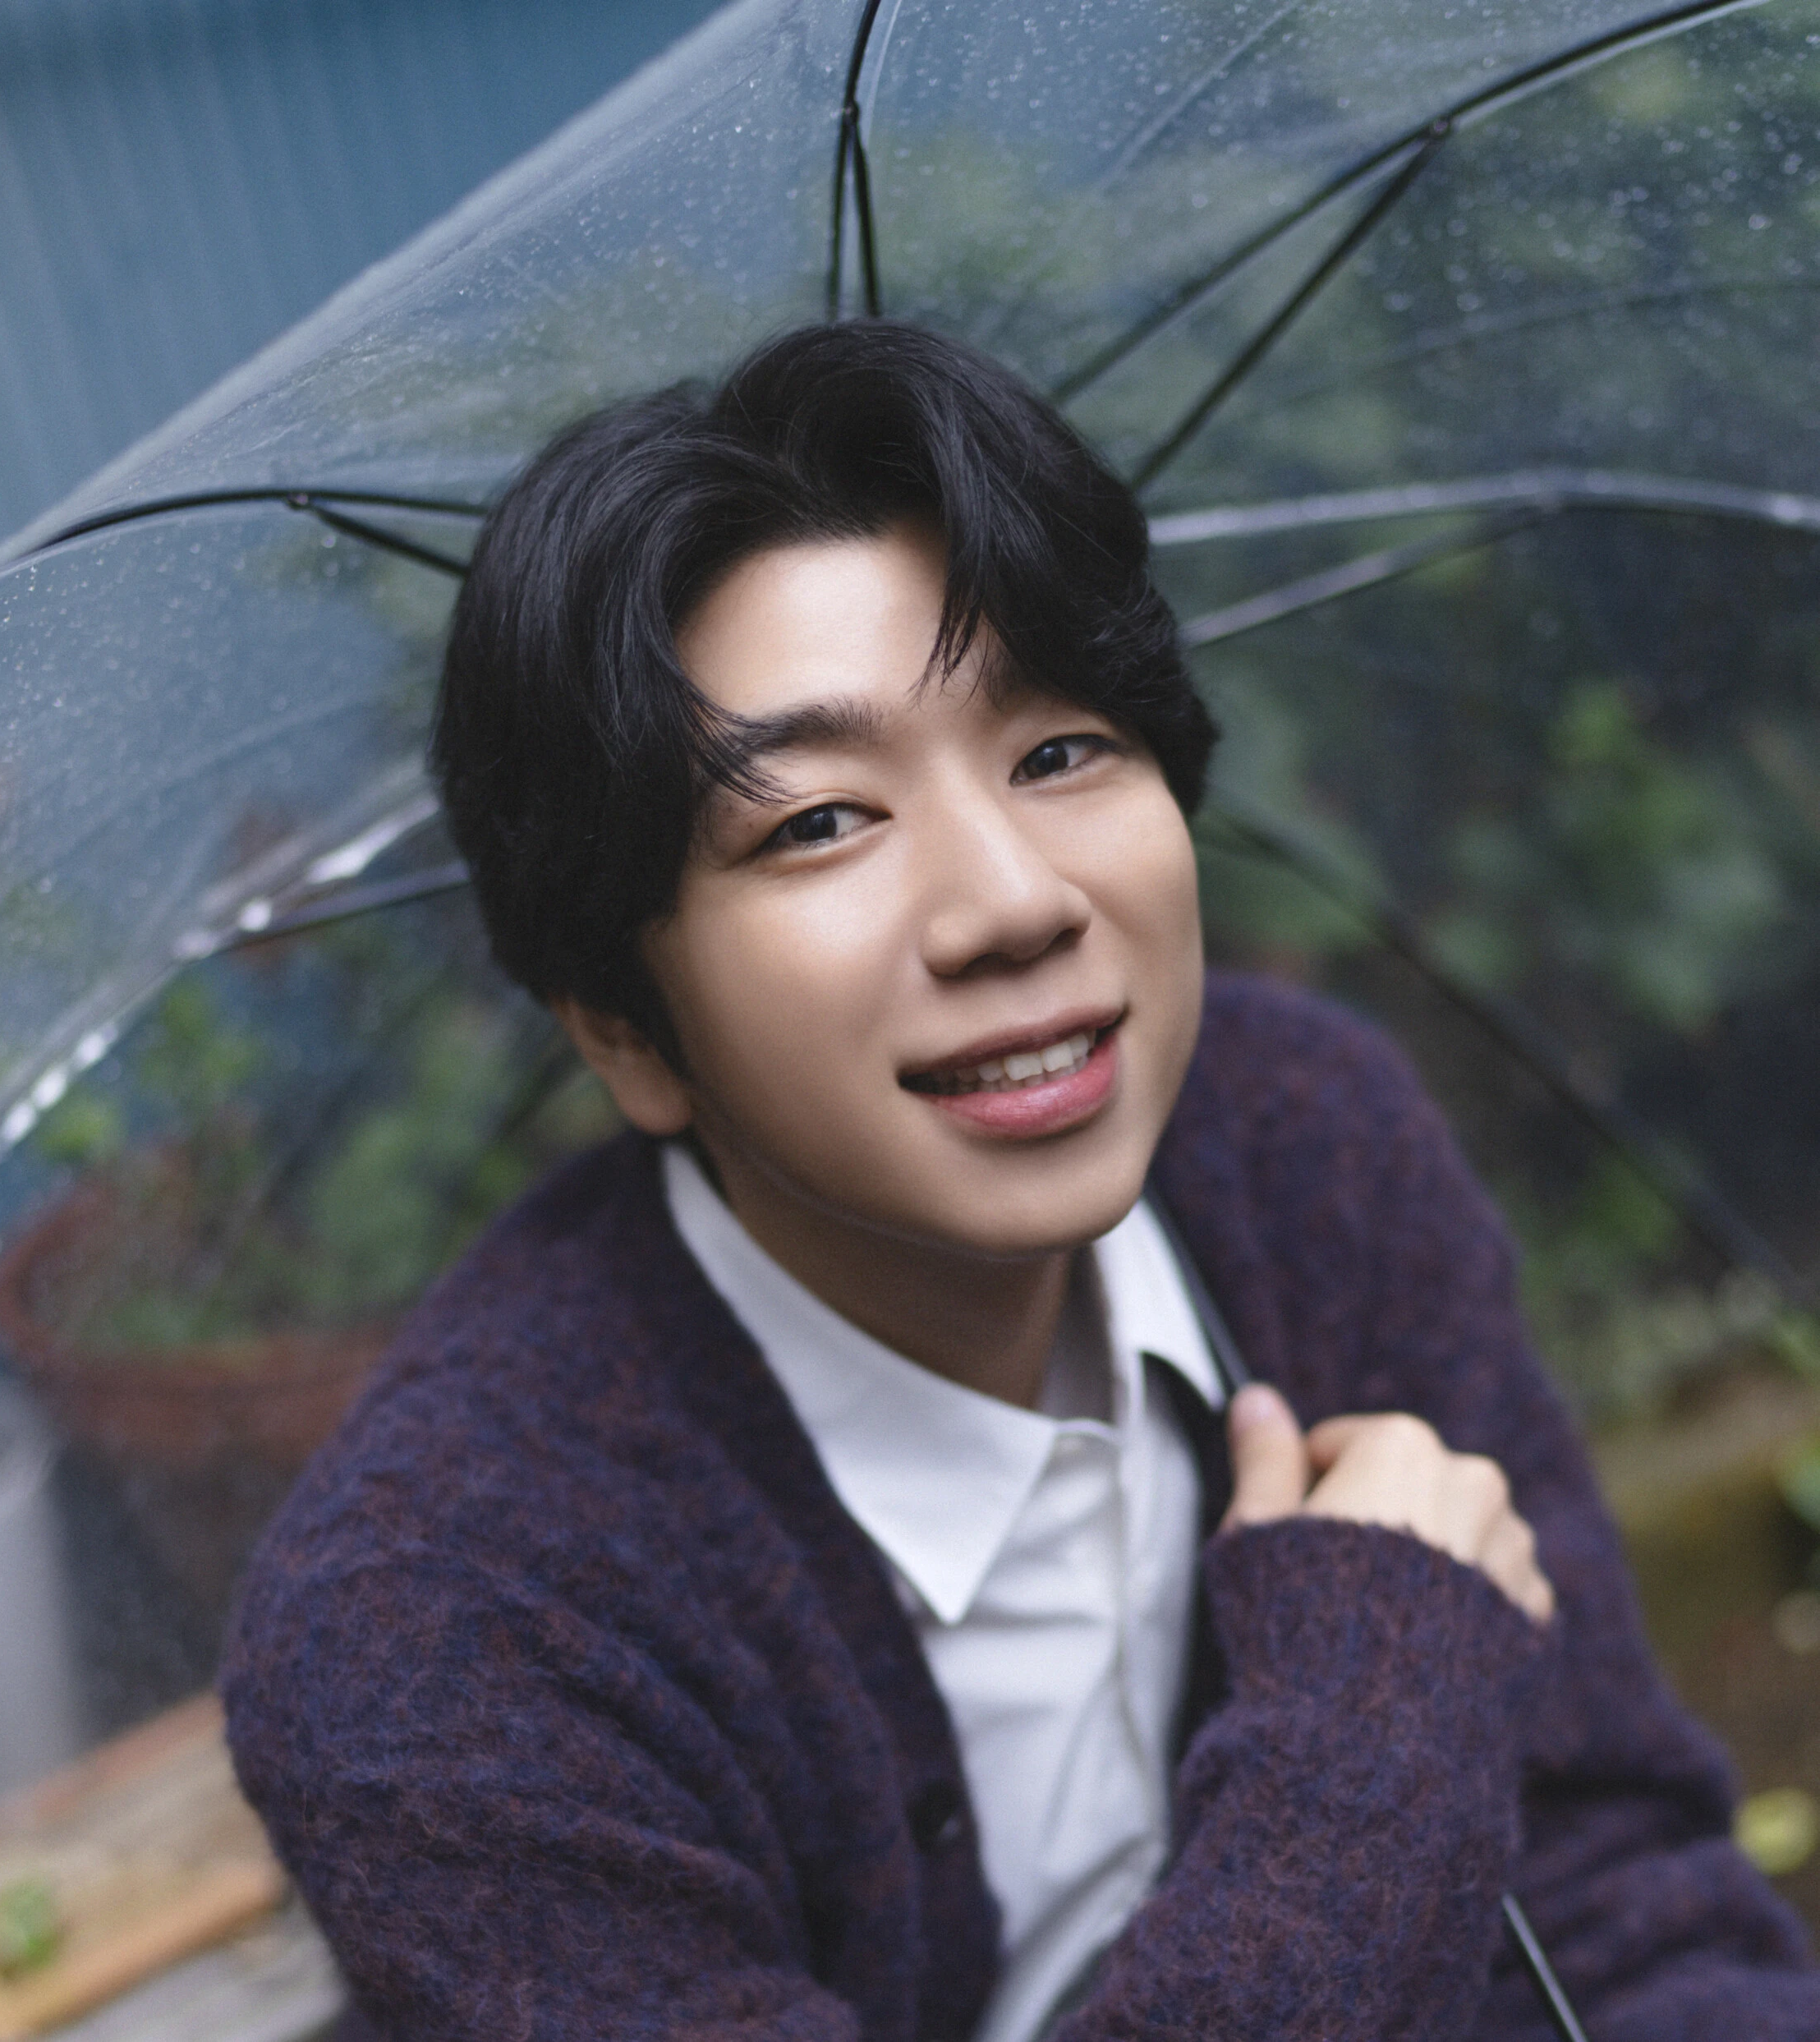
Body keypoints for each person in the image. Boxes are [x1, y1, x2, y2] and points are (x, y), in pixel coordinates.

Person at [223, 320, 1818, 2040]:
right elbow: (1397, 1773)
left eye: (1059, 749)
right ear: (623, 1031)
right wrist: (1372, 1718)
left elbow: (1616, 1900)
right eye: (817, 820)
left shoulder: (1303, 1144)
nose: (1014, 902)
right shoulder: (444, 1636)